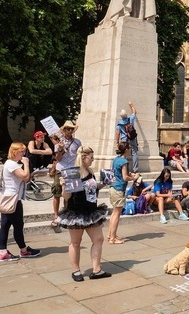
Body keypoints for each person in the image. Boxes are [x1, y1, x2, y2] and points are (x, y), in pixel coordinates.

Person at [56, 146, 110, 281]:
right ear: (84, 157)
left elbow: (92, 188)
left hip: (91, 210)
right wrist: (64, 186)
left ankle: (96, 270)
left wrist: (104, 183)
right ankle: (76, 271)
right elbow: (67, 197)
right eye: (91, 157)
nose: (93, 159)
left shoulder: (90, 171)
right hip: (76, 212)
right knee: (75, 242)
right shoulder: (73, 173)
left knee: (98, 239)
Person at [0, 143, 41, 261]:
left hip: (8, 198)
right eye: (21, 151)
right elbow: (24, 176)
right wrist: (26, 163)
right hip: (13, 199)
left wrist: (30, 173)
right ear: (14, 152)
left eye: (24, 151)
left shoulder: (11, 164)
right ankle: (24, 250)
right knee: (18, 226)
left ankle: (3, 251)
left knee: (5, 226)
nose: (23, 154)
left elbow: (26, 177)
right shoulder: (12, 164)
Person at [53, 120, 82, 228]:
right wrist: (60, 149)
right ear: (64, 130)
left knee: (70, 195)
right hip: (61, 169)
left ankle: (67, 213)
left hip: (73, 169)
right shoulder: (59, 142)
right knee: (57, 192)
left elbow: (80, 156)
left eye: (71, 129)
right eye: (68, 129)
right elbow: (57, 158)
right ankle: (56, 215)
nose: (70, 130)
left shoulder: (77, 142)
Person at [107, 142, 136, 244]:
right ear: (126, 149)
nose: (130, 150)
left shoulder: (116, 159)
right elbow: (125, 177)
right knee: (116, 214)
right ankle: (112, 238)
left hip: (113, 187)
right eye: (129, 148)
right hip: (119, 189)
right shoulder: (124, 161)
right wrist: (133, 177)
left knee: (114, 213)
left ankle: (111, 234)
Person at [115, 102, 139, 173]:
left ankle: (125, 169)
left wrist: (117, 142)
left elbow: (117, 133)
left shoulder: (119, 123)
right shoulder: (130, 119)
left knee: (124, 153)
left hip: (124, 138)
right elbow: (134, 112)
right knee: (134, 152)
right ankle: (135, 169)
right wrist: (131, 105)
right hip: (132, 137)